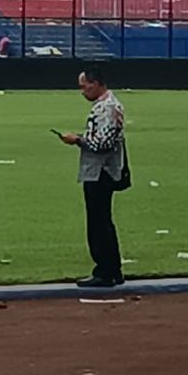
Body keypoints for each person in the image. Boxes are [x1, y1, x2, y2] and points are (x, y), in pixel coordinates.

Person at [58, 66, 128, 288]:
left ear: (96, 83)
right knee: (103, 222)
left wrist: (76, 140)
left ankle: (105, 271)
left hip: (101, 172)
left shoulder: (107, 108)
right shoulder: (108, 105)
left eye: (84, 85)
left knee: (98, 223)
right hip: (102, 171)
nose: (82, 91)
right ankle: (112, 269)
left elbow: (102, 144)